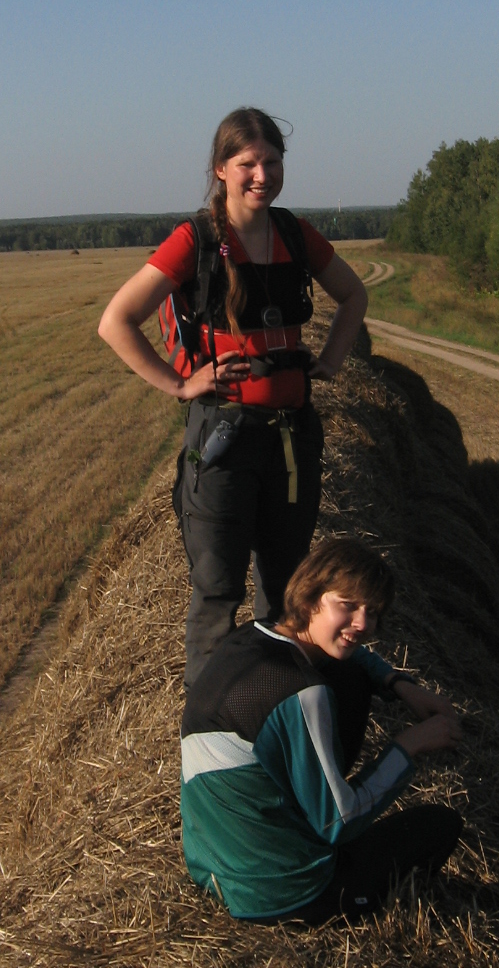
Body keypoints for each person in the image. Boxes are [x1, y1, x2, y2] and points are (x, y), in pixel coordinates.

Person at [98, 108, 369, 686]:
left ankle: (275, 701)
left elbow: (354, 295)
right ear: (221, 169)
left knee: (288, 589)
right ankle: (209, 720)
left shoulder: (294, 234)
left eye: (272, 162)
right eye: (247, 163)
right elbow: (116, 320)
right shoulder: (195, 240)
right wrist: (180, 384)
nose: (262, 175)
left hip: (292, 439)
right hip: (224, 440)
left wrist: (331, 360)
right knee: (218, 590)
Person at [179, 537, 463, 922]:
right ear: (311, 598)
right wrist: (408, 745)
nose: (362, 624)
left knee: (349, 674)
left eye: (372, 612)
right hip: (284, 893)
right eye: (347, 605)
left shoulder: (253, 636)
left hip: (214, 868)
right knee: (440, 826)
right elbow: (337, 822)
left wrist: (399, 684)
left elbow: (356, 656)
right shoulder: (303, 692)